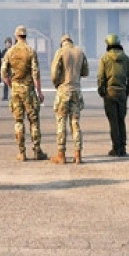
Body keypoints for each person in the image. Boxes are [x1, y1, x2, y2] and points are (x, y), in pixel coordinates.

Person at [1, 25, 47, 162]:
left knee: (18, 121)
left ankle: (21, 152)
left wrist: (11, 85)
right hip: (29, 90)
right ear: (26, 36)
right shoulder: (31, 51)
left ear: (16, 36)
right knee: (34, 121)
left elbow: (4, 73)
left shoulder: (10, 52)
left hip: (15, 90)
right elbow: (36, 73)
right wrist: (39, 92)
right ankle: (37, 150)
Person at [50, 34, 88, 164]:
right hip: (76, 91)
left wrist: (57, 84)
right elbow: (86, 72)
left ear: (62, 43)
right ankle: (78, 154)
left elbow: (54, 73)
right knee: (75, 122)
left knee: (61, 122)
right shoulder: (80, 51)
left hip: (63, 90)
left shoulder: (60, 52)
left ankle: (61, 154)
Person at [96, 34, 129, 157]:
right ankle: (123, 148)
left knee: (113, 122)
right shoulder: (126, 59)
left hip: (109, 93)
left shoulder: (104, 59)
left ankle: (116, 148)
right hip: (122, 92)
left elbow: (101, 77)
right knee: (121, 120)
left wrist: (101, 90)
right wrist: (126, 91)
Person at [1, 37, 13, 101]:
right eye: (6, 43)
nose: (8, 44)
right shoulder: (3, 51)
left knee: (12, 83)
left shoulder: (13, 50)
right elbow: (1, 60)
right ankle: (5, 96)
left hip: (11, 68)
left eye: (9, 43)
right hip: (6, 69)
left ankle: (13, 95)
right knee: (5, 83)